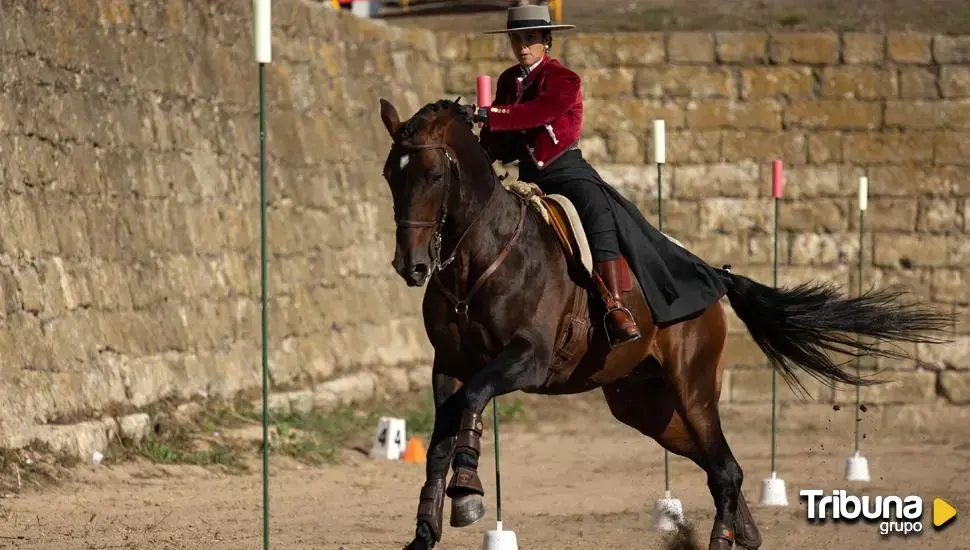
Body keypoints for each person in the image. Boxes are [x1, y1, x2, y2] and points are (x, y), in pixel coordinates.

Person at [473, 4, 729, 349]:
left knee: (598, 209)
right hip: (529, 176)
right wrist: (476, 141)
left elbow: (535, 114)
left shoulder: (564, 79)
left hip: (565, 171)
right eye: (517, 39)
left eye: (531, 38)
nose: (522, 46)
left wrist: (490, 113)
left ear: (547, 40)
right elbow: (503, 137)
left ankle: (615, 305)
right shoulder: (507, 81)